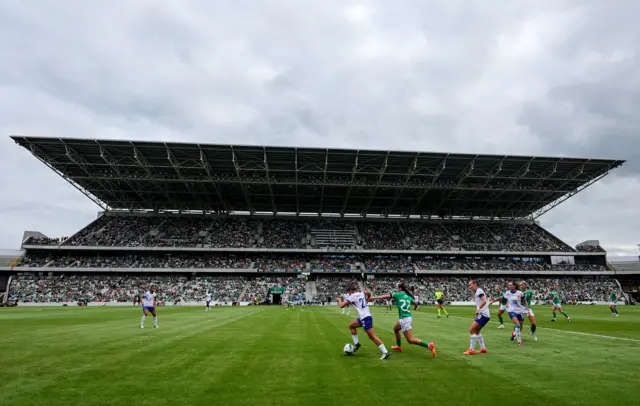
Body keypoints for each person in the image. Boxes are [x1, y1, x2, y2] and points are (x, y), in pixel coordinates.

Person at [370, 283, 436, 357]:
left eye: (397, 288)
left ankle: (429, 345)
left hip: (405, 319)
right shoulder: (408, 296)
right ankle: (398, 346)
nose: (396, 289)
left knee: (410, 340)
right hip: (405, 318)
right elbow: (415, 302)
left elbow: (385, 296)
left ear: (400, 289)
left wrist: (374, 298)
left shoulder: (397, 294)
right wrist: (415, 307)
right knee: (395, 329)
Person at [337, 285, 390, 360]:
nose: (348, 294)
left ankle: (385, 352)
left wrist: (339, 300)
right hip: (364, 317)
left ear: (350, 291)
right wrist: (368, 298)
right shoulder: (361, 293)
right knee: (351, 326)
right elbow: (368, 292)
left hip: (366, 318)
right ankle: (357, 344)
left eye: (348, 292)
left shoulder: (352, 296)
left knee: (372, 336)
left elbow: (342, 306)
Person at [491, 281, 526, 346]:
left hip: (519, 311)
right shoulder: (507, 293)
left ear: (514, 286)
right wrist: (493, 301)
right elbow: (501, 298)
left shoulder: (520, 293)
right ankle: (519, 342)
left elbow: (524, 300)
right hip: (511, 311)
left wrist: (526, 308)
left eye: (510, 285)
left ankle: (514, 333)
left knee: (520, 327)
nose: (509, 286)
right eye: (508, 285)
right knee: (517, 325)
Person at [463, 280, 490, 355]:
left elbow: (484, 301)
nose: (469, 286)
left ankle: (471, 350)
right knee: (477, 331)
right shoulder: (478, 291)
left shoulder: (479, 291)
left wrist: (478, 308)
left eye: (470, 285)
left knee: (472, 330)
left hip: (483, 315)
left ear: (475, 284)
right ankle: (483, 349)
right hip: (484, 315)